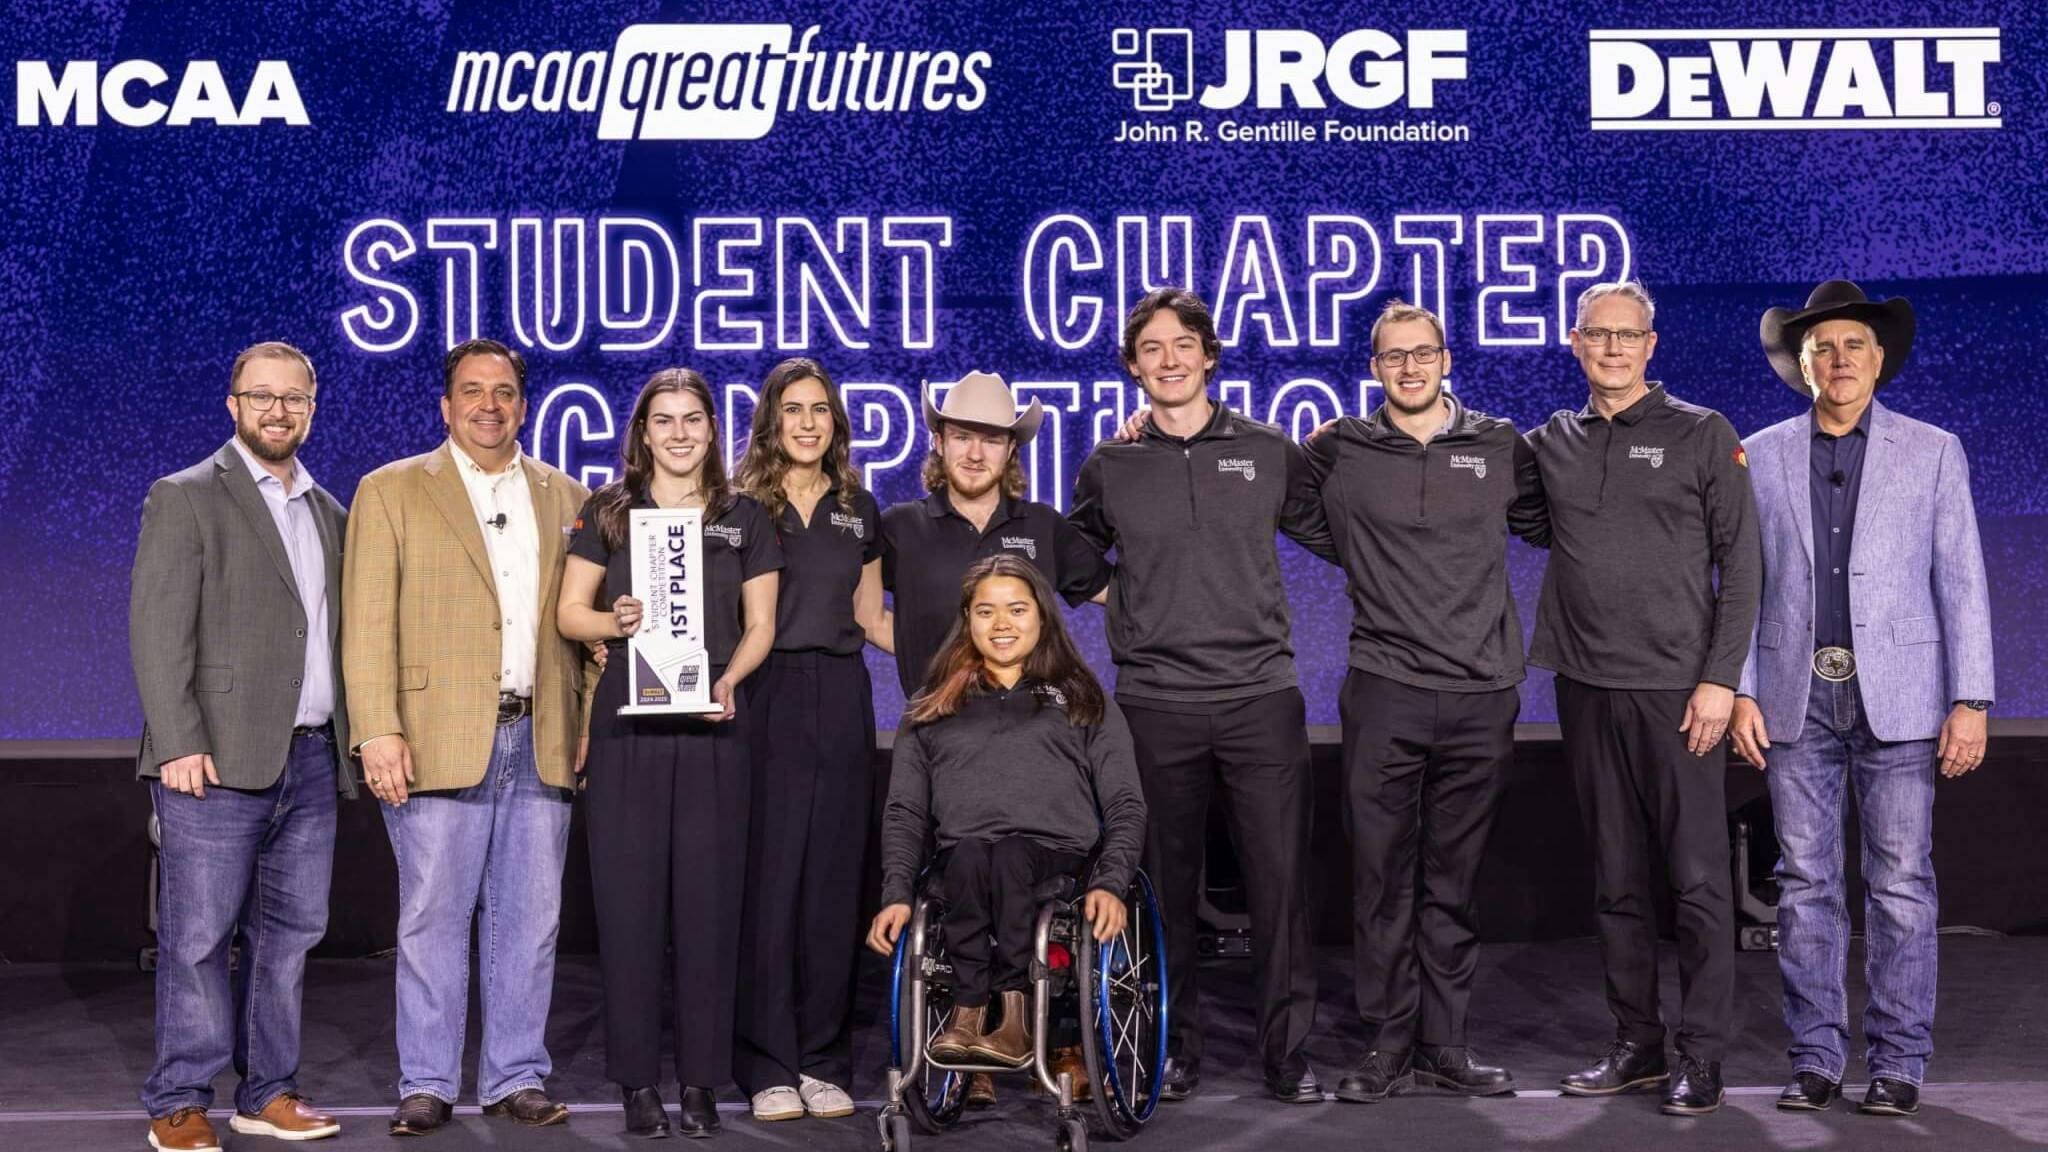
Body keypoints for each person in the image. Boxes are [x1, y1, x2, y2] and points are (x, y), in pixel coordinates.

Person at [1730, 281, 1993, 1118]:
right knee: (1805, 885)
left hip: (1906, 700)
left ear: (1879, 360)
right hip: (1790, 698)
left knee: (1901, 886)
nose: (1838, 361)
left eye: (1854, 346)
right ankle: (1815, 1060)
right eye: (1822, 349)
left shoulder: (1934, 450)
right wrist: (1737, 690)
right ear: (1799, 363)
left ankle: (1898, 1062)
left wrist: (1972, 697)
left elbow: (1961, 581)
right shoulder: (1758, 452)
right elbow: (1740, 584)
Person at [1071, 288, 1334, 1103]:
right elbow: (1074, 555)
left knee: (1279, 885)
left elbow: (1338, 528)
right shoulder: (1111, 462)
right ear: (1133, 365)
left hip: (1261, 696)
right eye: (1151, 348)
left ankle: (1286, 1055)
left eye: (1183, 344)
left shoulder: (1266, 449)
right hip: (1155, 703)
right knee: (1163, 888)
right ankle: (1171, 1046)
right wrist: (1134, 602)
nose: (1170, 360)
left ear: (1210, 355)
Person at [1296, 302, 1547, 1104]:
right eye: (1393, 356)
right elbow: (1288, 505)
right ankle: (1388, 1043)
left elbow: (1551, 520)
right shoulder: (1339, 448)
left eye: (1423, 353)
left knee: (1452, 879)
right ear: (1374, 368)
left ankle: (1447, 1044)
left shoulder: (1500, 444)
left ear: (1447, 359)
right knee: (1381, 880)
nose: (1410, 367)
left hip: (1481, 694)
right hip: (1385, 691)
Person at [343, 338, 595, 1136]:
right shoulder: (390, 490)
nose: (490, 405)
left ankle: (515, 1074)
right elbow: (367, 623)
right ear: (445, 405)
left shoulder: (570, 497)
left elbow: (585, 633)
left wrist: (587, 720)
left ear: (525, 404)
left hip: (541, 734)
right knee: (431, 919)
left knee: (531, 919)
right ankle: (426, 1080)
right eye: (472, 391)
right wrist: (376, 728)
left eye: (505, 392)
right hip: (433, 735)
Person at [1527, 282, 1761, 1117]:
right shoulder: (1550, 441)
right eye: (1599, 335)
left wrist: (1720, 682)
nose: (1614, 349)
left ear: (1651, 346)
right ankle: (1637, 1043)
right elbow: (1464, 468)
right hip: (1584, 687)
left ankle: (1701, 1055)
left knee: (1697, 883)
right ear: (1577, 343)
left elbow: (1745, 569)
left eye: (1629, 336)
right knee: (1616, 882)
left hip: (1679, 694)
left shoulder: (1703, 434)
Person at [131, 342, 350, 1152]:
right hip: (213, 761)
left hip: (312, 758)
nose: (278, 411)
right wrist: (180, 741)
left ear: (312, 408)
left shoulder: (330, 510)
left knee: (289, 935)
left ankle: (267, 1090)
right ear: (233, 405)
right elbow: (156, 633)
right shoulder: (185, 496)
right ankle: (180, 1099)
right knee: (196, 939)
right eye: (261, 397)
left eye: (293, 398)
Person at [877, 370, 1112, 1105]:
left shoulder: (1042, 526)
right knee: (969, 864)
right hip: (950, 743)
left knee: (1020, 863)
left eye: (990, 437)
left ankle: (1041, 1033)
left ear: (1010, 447)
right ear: (938, 439)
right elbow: (851, 610)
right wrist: (934, 672)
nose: (974, 451)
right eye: (961, 435)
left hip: (1036, 740)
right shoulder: (901, 528)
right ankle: (975, 1036)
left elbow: (1117, 595)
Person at [557, 369, 782, 1137]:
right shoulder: (609, 512)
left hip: (718, 727)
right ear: (642, 433)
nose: (680, 433)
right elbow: (568, 613)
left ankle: (699, 1083)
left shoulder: (744, 516)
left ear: (713, 430)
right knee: (629, 912)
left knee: (709, 913)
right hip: (630, 732)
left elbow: (761, 626)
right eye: (664, 421)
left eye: (693, 419)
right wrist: (613, 622)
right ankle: (635, 1086)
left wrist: (731, 680)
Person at [867, 555, 1147, 1072]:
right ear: (966, 619)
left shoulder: (1083, 698)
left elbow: (1126, 803)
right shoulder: (931, 706)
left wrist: (1111, 881)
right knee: (973, 855)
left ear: (1041, 616)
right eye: (986, 611)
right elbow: (905, 811)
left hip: (1056, 857)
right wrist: (896, 896)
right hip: (967, 860)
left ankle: (1016, 1016)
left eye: (1017, 610)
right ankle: (970, 1012)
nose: (1001, 624)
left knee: (1010, 855)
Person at [729, 357, 883, 1123]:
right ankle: (765, 1061)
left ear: (836, 421)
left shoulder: (860, 508)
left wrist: (963, 658)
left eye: (820, 409)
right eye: (792, 409)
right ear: (770, 420)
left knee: (831, 884)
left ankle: (823, 1060)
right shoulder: (739, 507)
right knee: (770, 882)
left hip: (843, 698)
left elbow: (875, 618)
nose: (807, 422)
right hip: (766, 697)